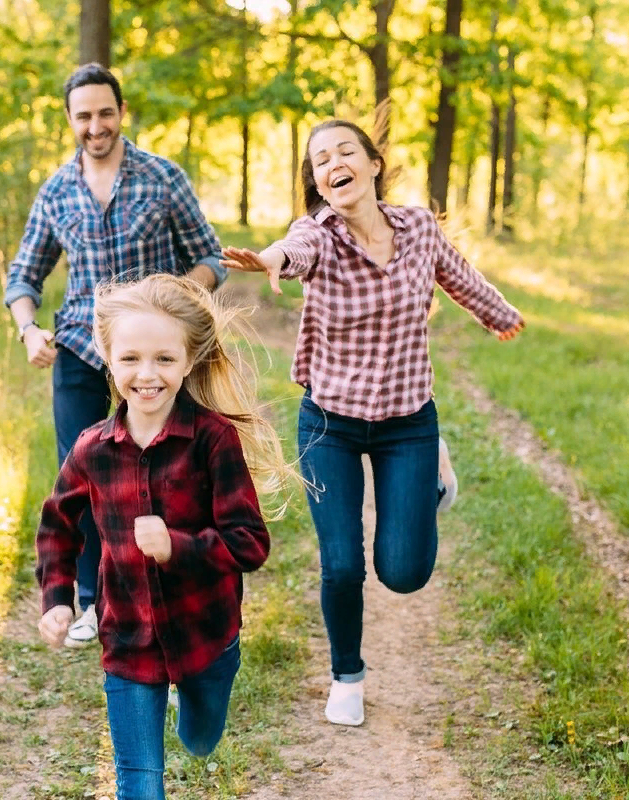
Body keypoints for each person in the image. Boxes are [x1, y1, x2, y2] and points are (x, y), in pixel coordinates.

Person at [220, 118, 525, 727]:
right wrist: (273, 258)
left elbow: (458, 276)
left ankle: (434, 475)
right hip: (329, 421)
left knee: (403, 573)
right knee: (342, 563)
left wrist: (502, 314)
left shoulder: (417, 228)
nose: (333, 162)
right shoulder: (319, 236)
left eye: (345, 151)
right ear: (320, 182)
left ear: (372, 164)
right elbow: (295, 248)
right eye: (320, 159)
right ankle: (347, 676)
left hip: (409, 420)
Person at [35, 274, 291, 799]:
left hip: (205, 636)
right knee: (139, 781)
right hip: (127, 640)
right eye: (130, 358)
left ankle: (196, 716)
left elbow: (250, 541)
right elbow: (58, 525)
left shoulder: (213, 440)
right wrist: (57, 600)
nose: (146, 374)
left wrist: (181, 545)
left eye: (164, 359)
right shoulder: (92, 449)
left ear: (189, 362)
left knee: (200, 739)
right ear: (108, 358)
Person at [5, 63, 227, 648]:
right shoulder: (55, 192)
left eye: (105, 112)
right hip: (81, 346)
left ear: (120, 112)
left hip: (153, 355)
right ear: (70, 120)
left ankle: (173, 592)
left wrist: (177, 302)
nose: (95, 125)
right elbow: (23, 275)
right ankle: (92, 602)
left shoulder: (163, 178)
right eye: (84, 116)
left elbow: (210, 258)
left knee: (171, 472)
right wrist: (29, 329)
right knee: (83, 478)